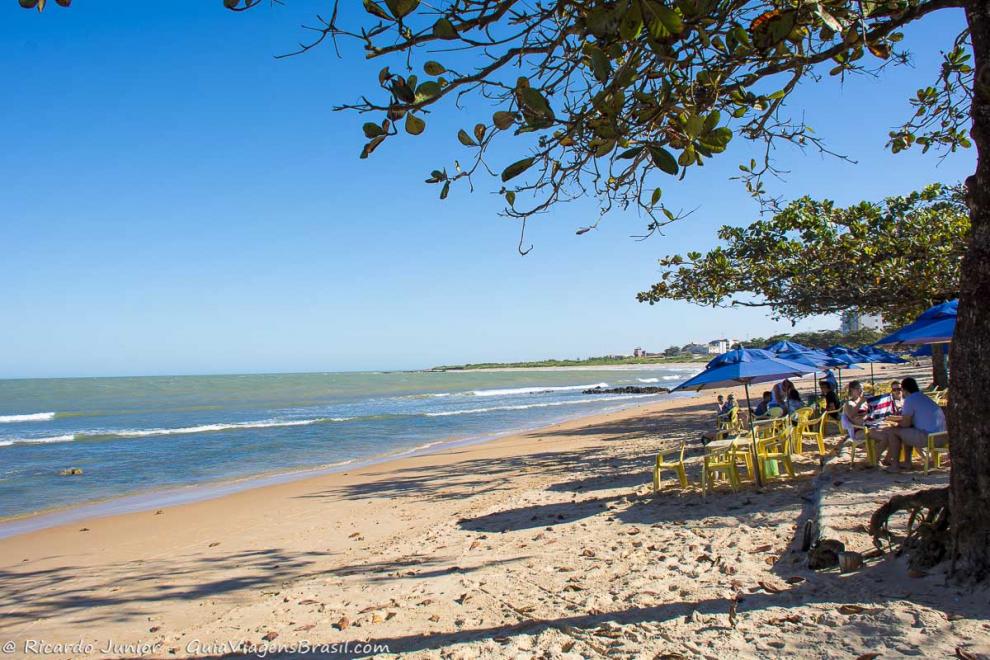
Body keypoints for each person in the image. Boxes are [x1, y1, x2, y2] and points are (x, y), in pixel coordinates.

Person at [885, 377, 947, 472]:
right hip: (943, 437)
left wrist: (895, 423)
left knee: (893, 431)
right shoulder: (924, 397)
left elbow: (906, 423)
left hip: (930, 438)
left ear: (904, 390)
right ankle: (907, 462)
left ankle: (895, 465)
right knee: (906, 431)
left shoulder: (910, 400)